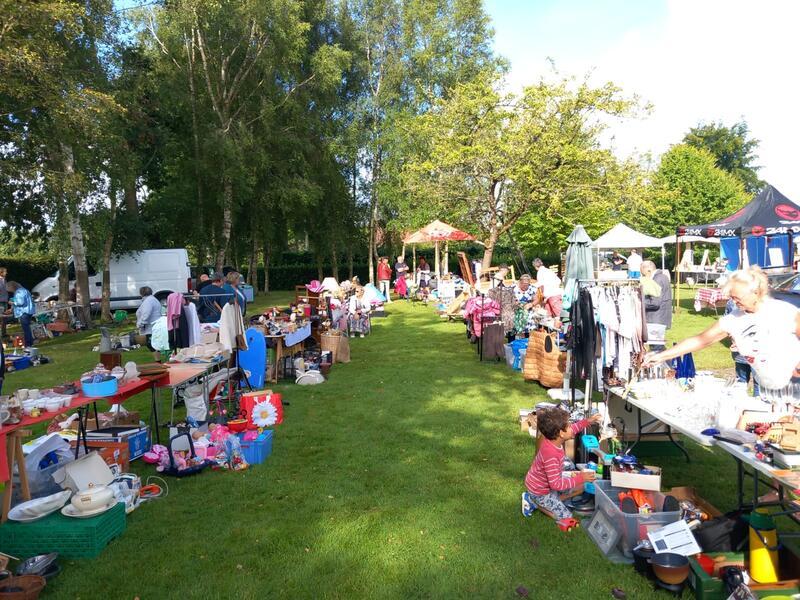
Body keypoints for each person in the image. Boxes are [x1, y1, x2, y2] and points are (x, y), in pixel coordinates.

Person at [643, 267, 800, 397]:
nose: (734, 301)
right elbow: (701, 340)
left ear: (756, 292)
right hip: (767, 390)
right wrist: (661, 356)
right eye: (732, 297)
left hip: (794, 388)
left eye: (738, 297)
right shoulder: (734, 318)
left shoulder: (785, 312)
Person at [521, 407, 602, 530]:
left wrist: (588, 421)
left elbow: (574, 429)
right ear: (561, 433)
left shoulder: (554, 439)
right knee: (565, 517)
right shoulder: (551, 455)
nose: (572, 428)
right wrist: (581, 477)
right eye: (568, 426)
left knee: (581, 487)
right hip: (540, 491)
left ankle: (552, 501)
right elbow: (556, 485)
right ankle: (532, 501)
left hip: (547, 481)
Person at [723, 299, 760, 397]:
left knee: (756, 386)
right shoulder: (732, 302)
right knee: (742, 385)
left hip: (757, 354)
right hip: (741, 352)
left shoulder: (764, 303)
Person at [641, 260, 671, 352]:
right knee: (658, 347)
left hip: (656, 319)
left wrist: (639, 304)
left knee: (656, 349)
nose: (642, 275)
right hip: (659, 317)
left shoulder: (657, 279)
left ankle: (663, 365)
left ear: (648, 269)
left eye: (642, 272)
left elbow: (655, 302)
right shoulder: (662, 277)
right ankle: (665, 364)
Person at [6, 281, 35, 347]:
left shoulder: (19, 292)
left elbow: (20, 302)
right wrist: (12, 308)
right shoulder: (24, 290)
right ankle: (30, 342)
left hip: (24, 312)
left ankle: (28, 344)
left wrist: (12, 303)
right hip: (29, 311)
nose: (9, 291)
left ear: (12, 287)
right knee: (27, 328)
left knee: (26, 329)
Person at [0, 267, 8, 339]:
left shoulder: (4, 280)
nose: (6, 273)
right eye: (5, 272)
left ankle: (4, 333)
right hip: (1, 302)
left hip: (5, 301)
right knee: (2, 318)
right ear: (1, 272)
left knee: (4, 318)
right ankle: (3, 334)